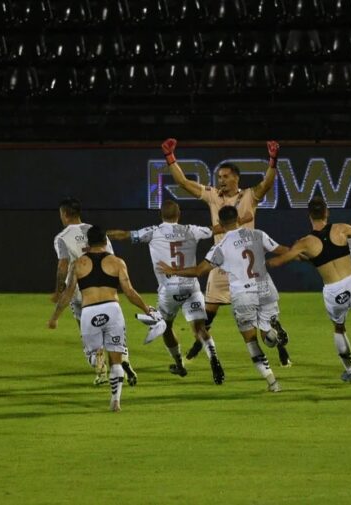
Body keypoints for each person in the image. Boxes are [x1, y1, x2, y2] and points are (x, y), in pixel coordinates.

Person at [163, 138, 294, 367]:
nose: (220, 180)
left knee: (264, 317)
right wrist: (170, 158)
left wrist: (273, 161)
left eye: (225, 176)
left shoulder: (248, 196)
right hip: (221, 265)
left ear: (236, 178)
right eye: (219, 177)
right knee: (207, 315)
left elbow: (266, 184)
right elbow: (183, 182)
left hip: (245, 268)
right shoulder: (214, 195)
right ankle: (197, 349)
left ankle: (282, 349)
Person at [158, 206, 288, 392]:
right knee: (265, 333)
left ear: (220, 223)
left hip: (243, 295)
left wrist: (173, 271)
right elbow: (283, 250)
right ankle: (271, 333)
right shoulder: (258, 234)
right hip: (266, 289)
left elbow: (198, 271)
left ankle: (272, 382)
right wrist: (300, 252)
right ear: (238, 218)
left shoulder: (221, 246)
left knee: (251, 342)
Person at [266, 197, 351, 382]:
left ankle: (350, 372)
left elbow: (281, 260)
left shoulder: (305, 242)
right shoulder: (340, 228)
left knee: (339, 328)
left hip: (333, 290)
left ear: (309, 215)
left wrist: (267, 263)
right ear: (327, 212)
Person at [107, 200, 226, 384]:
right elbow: (216, 229)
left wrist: (104, 235)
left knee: (166, 327)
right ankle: (214, 359)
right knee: (200, 328)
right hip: (191, 286)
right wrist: (240, 220)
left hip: (169, 289)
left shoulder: (153, 231)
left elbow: (124, 235)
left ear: (161, 214)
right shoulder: (190, 230)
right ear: (179, 214)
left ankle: (179, 363)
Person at [49, 226, 155, 412]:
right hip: (112, 310)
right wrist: (146, 308)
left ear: (88, 243)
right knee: (116, 358)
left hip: (89, 312)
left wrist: (55, 317)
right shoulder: (117, 262)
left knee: (92, 354)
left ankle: (96, 357)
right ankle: (115, 400)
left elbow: (68, 293)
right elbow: (129, 292)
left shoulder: (78, 264)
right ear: (106, 242)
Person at [51, 197, 130, 386]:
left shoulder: (62, 237)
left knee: (87, 331)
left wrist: (59, 289)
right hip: (104, 287)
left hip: (79, 292)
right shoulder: (96, 232)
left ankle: (99, 364)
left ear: (64, 214)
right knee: (113, 328)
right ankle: (122, 358)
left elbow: (63, 264)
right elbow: (110, 258)